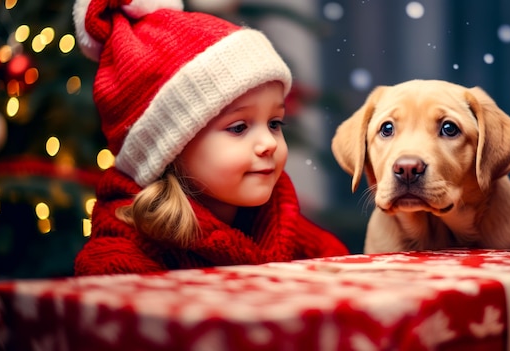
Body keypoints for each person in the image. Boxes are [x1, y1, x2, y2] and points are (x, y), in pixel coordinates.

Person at [72, 0, 349, 275]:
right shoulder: (120, 263)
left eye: (275, 123)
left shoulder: (278, 224)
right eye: (239, 127)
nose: (269, 143)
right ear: (170, 148)